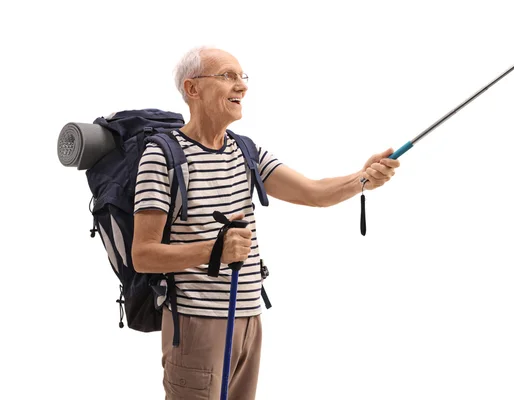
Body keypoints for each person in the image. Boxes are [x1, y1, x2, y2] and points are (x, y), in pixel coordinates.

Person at [131, 46, 400, 400]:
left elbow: (314, 192)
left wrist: (364, 178)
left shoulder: (246, 152)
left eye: (243, 77)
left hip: (248, 316)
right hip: (196, 323)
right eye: (227, 76)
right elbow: (144, 255)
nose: (241, 86)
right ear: (192, 88)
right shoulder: (162, 155)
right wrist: (216, 250)